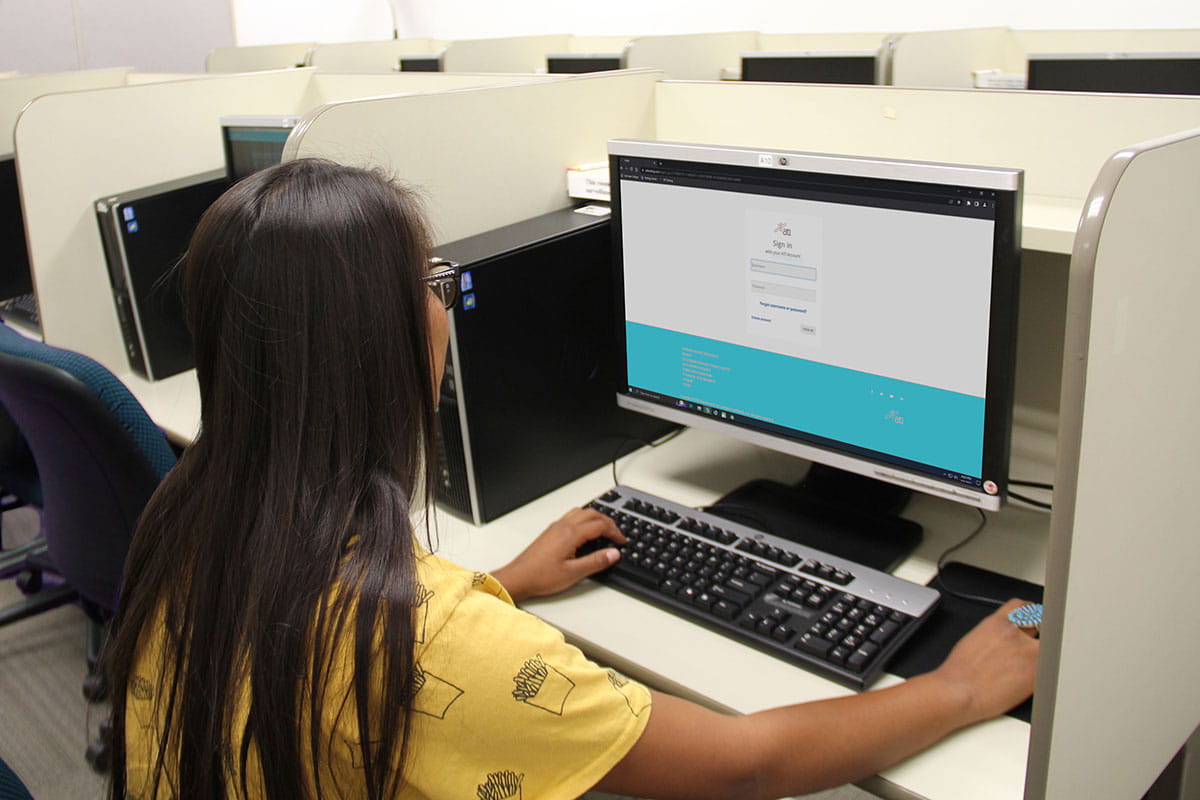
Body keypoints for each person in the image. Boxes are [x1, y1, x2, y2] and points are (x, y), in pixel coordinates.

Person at [105, 159, 1040, 800]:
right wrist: (958, 690)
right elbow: (745, 768)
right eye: (428, 285)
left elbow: (325, 641)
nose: (444, 308)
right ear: (384, 344)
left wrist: (498, 585)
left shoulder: (187, 510)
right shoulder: (425, 641)